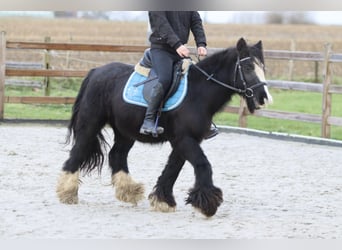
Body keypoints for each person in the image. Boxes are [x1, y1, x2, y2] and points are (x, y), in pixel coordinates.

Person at [139, 11, 218, 139]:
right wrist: (177, 45)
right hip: (161, 49)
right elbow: (162, 24)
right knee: (165, 79)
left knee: (196, 79)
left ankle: (202, 122)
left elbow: (196, 22)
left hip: (179, 50)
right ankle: (148, 120)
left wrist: (201, 43)